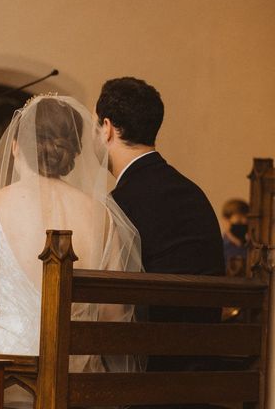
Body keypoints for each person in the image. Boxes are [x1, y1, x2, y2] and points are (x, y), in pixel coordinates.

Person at [0, 95, 142, 408]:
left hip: (7, 379)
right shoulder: (102, 215)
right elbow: (113, 316)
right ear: (73, 152)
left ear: (15, 147)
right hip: (76, 379)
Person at [95, 76, 225, 374]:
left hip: (152, 369)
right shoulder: (193, 193)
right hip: (204, 365)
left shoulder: (118, 204)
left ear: (108, 128)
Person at [221, 198, 249, 277]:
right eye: (239, 220)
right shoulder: (219, 247)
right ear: (226, 220)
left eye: (246, 220)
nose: (244, 223)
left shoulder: (252, 247)